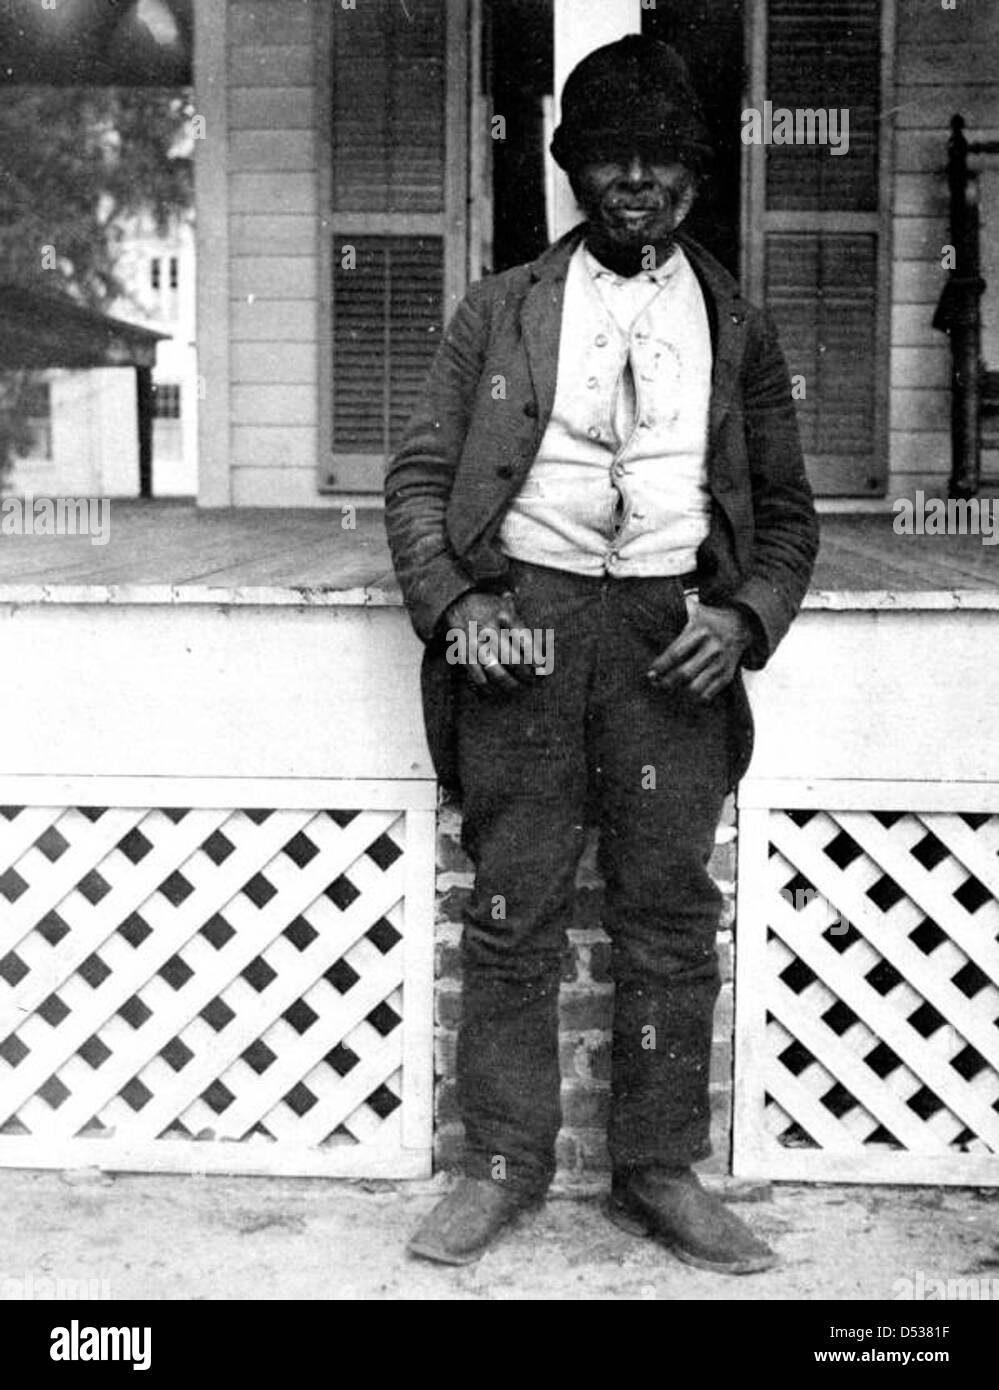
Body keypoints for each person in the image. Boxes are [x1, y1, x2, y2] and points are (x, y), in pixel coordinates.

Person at [384, 35, 819, 1273]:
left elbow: (785, 518)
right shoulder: (500, 309)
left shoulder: (740, 326)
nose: (639, 180)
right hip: (527, 624)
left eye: (664, 159)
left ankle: (658, 1169)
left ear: (694, 177)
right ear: (574, 169)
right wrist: (462, 605)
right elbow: (418, 479)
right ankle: (504, 1163)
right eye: (612, 156)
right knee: (512, 904)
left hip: (669, 639)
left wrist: (740, 625)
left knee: (670, 916)